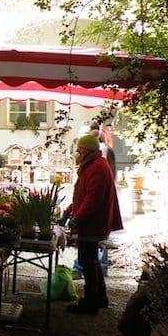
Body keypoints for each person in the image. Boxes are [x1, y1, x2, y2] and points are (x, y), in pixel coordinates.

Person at [62, 133, 123, 315]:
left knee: (87, 260)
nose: (77, 153)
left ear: (87, 150)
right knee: (91, 260)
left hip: (93, 223)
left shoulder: (97, 167)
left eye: (80, 149)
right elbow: (83, 196)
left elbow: (93, 199)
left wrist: (77, 218)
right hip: (91, 221)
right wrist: (68, 212)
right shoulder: (92, 165)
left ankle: (90, 303)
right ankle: (99, 298)